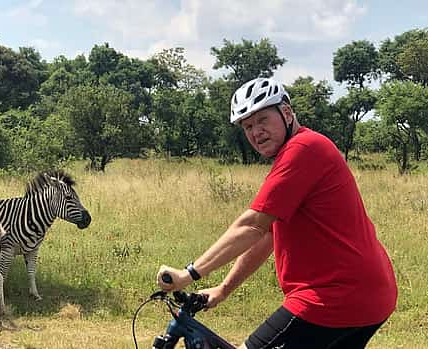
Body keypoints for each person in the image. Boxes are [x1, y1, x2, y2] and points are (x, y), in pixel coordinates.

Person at [156, 77, 397, 349]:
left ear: (286, 113)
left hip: (332, 297)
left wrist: (187, 274)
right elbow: (267, 235)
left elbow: (252, 225)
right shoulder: (303, 151)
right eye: (247, 126)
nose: (256, 132)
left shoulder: (303, 149)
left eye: (262, 120)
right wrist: (223, 289)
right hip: (367, 293)